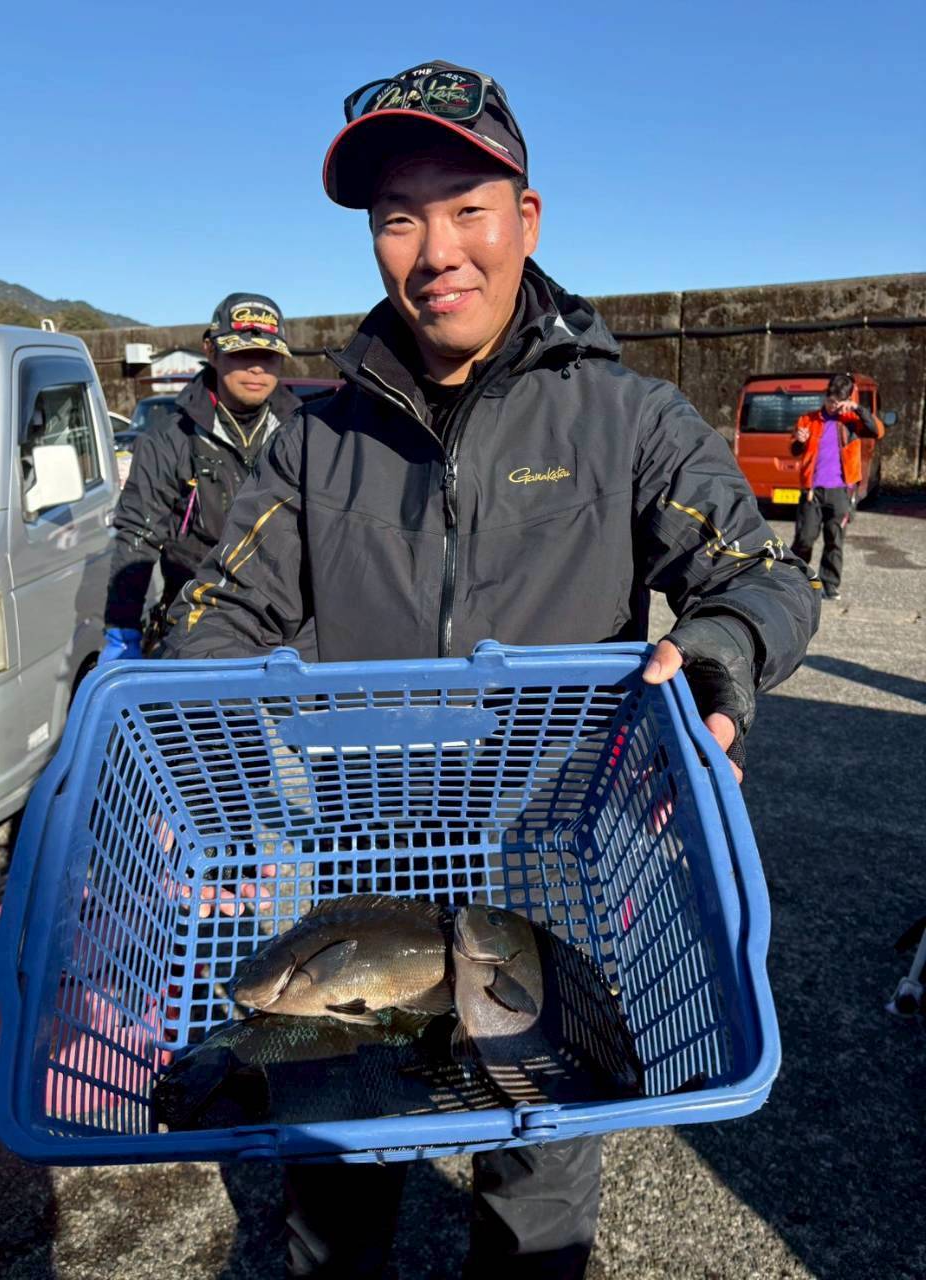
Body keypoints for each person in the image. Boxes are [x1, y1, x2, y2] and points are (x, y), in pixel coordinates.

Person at [165, 60, 820, 1279]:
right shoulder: (313, 440)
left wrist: (718, 654)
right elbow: (215, 609)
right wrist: (214, 768)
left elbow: (760, 575)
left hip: (552, 854)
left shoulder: (630, 417)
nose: (435, 251)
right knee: (335, 1156)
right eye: (397, 218)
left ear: (527, 216)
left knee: (540, 1169)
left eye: (467, 207)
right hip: (366, 860)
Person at [98, 293, 301, 661]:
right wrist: (122, 629)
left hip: (287, 634)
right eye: (242, 354)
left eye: (268, 356)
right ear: (211, 352)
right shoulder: (168, 438)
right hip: (194, 626)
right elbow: (138, 535)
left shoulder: (304, 433)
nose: (257, 369)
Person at [789, 371, 885, 600]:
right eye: (830, 400)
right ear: (825, 397)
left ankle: (829, 585)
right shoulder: (808, 420)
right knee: (804, 538)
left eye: (838, 402)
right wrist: (799, 441)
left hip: (841, 491)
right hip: (812, 491)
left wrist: (857, 409)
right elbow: (794, 450)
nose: (833, 406)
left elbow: (877, 431)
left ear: (846, 400)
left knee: (835, 540)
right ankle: (793, 581)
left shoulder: (851, 422)